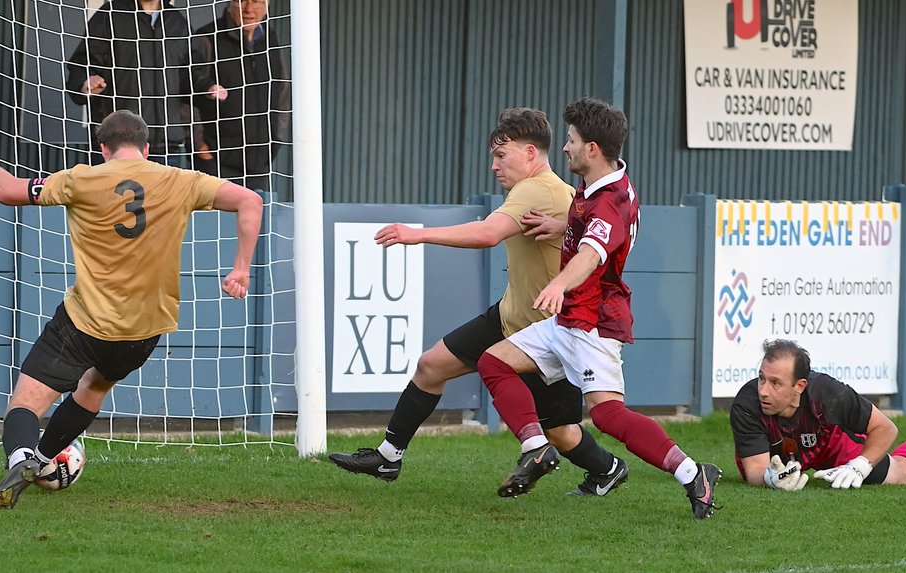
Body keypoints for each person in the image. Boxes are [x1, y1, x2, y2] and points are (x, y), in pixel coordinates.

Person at [0, 110, 264, 508]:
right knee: (94, 387)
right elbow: (250, 200)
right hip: (144, 329)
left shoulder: (80, 179)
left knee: (26, 403)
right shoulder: (182, 180)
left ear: (103, 149)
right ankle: (43, 457)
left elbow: (5, 191)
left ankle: (22, 458)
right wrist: (240, 268)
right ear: (146, 148)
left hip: (85, 321)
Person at [328, 107, 629, 497]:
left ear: (530, 153)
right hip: (508, 318)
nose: (494, 166)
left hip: (542, 334)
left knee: (562, 432)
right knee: (431, 365)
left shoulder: (538, 189)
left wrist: (417, 235)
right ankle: (388, 456)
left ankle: (609, 468)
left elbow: (488, 233)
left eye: (501, 155)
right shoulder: (555, 192)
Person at [476, 97, 721, 518]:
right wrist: (562, 226)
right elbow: (596, 233)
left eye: (571, 140)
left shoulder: (608, 200)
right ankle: (536, 448)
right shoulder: (602, 184)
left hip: (592, 322)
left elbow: (592, 254)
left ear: (592, 149)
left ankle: (692, 473)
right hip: (568, 317)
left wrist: (558, 284)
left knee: (608, 416)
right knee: (493, 363)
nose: (565, 147)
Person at [730, 339, 906, 491]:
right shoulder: (747, 404)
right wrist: (770, 479)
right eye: (761, 378)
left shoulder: (829, 394)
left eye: (775, 383)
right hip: (781, 457)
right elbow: (754, 470)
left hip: (829, 442)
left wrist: (860, 466)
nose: (763, 390)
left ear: (799, 386)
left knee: (900, 475)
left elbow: (886, 428)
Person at [65, 0, 219, 166]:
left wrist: (207, 87)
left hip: (165, 146)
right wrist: (85, 82)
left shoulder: (177, 21)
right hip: (118, 144)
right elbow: (83, 63)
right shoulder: (110, 14)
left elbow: (189, 73)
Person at [192, 0, 290, 192]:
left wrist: (275, 139)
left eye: (257, 1)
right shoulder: (207, 38)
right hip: (216, 163)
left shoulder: (270, 39)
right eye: (242, 1)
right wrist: (201, 148)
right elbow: (187, 92)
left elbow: (282, 93)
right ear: (229, 4)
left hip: (260, 164)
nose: (249, 9)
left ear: (267, 5)